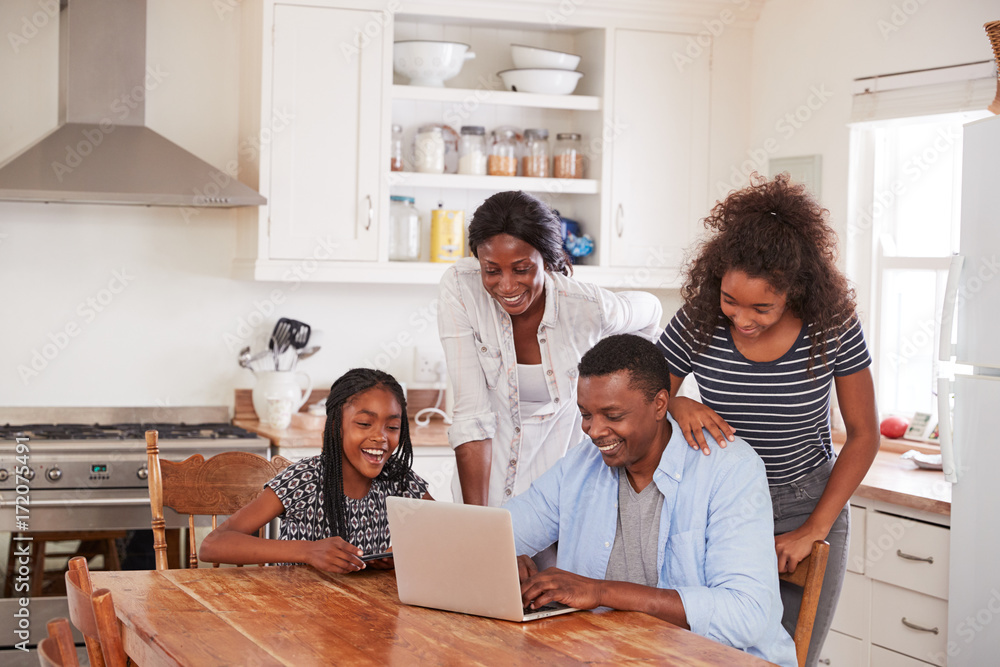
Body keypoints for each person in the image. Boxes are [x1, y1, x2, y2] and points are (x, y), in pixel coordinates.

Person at [656, 173, 880, 667]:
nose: (742, 318)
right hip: (719, 507)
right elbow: (645, 395)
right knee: (709, 655)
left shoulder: (832, 325)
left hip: (805, 505)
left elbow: (865, 435)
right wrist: (677, 403)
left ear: (795, 292)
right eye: (730, 300)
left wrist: (815, 529)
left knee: (792, 658)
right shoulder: (698, 319)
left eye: (763, 307)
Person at [508, 334, 796, 667]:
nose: (595, 431)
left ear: (660, 405)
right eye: (586, 414)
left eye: (613, 416)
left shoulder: (731, 470)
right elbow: (502, 533)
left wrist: (601, 592)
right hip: (607, 652)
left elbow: (747, 615)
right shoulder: (582, 462)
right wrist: (501, 557)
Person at [438, 190, 662, 510]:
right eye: (492, 270)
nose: (506, 285)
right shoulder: (461, 287)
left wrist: (632, 397)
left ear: (547, 260)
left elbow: (651, 311)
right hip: (485, 489)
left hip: (559, 498)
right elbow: (472, 416)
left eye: (521, 269)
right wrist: (478, 526)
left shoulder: (588, 307)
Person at [199, 368, 431, 573]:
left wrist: (399, 554)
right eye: (363, 424)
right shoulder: (305, 480)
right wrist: (307, 551)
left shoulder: (400, 481)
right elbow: (213, 545)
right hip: (298, 613)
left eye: (392, 427)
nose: (380, 436)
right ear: (335, 425)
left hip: (369, 614)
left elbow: (447, 534)